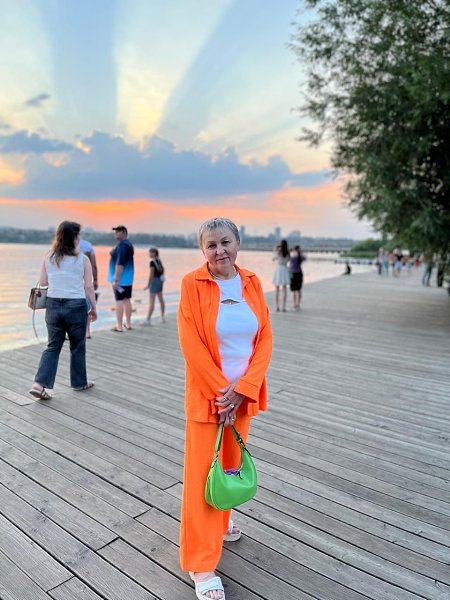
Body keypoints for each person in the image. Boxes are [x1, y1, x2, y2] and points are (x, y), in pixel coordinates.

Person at [177, 217, 272, 600]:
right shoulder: (192, 284)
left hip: (243, 397)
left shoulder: (251, 282)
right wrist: (223, 394)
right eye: (211, 245)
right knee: (202, 477)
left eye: (226, 242)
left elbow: (264, 338)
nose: (220, 251)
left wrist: (243, 391)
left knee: (229, 464)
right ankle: (201, 564)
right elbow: (191, 345)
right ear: (203, 250)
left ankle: (222, 521)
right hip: (209, 398)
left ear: (238, 243)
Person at [29, 221, 97, 400]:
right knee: (77, 346)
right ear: (73, 238)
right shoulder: (83, 259)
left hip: (53, 305)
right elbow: (88, 287)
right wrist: (94, 308)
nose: (79, 238)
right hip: (76, 306)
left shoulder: (49, 256)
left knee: (53, 346)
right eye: (78, 235)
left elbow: (43, 282)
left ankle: (39, 384)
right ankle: (79, 383)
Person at [108, 225, 134, 331]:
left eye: (118, 231)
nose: (116, 233)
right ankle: (128, 324)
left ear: (124, 232)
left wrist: (116, 280)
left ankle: (119, 326)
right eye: (115, 232)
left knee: (119, 300)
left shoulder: (123, 246)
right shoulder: (128, 245)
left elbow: (120, 264)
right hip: (127, 279)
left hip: (121, 280)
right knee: (126, 299)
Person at [79, 237, 98, 338]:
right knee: (87, 305)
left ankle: (68, 332)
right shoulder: (88, 246)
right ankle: (87, 331)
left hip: (74, 282)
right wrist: (96, 279)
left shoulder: (65, 246)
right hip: (86, 278)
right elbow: (93, 265)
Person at [142, 247, 165, 325]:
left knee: (152, 301)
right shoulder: (159, 261)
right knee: (161, 299)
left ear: (154, 253)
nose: (149, 254)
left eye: (150, 252)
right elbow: (163, 270)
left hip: (154, 281)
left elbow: (151, 274)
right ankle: (162, 317)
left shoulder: (152, 262)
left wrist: (148, 285)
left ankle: (148, 320)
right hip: (160, 281)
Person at [272, 239, 290, 312]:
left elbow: (273, 258)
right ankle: (283, 307)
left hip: (279, 269)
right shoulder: (288, 253)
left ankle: (277, 307)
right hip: (285, 269)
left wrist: (276, 248)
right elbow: (288, 260)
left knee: (277, 289)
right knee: (284, 289)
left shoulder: (279, 252)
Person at [289, 245, 305, 310]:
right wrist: (301, 253)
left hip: (293, 274)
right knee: (298, 290)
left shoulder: (292, 258)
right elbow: (305, 257)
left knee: (294, 290)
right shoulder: (300, 257)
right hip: (299, 273)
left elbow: (290, 266)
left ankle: (294, 304)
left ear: (295, 250)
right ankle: (298, 304)